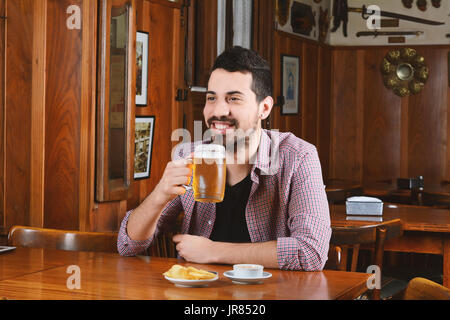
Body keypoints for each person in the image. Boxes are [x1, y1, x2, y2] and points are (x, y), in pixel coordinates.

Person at [117, 46, 331, 271]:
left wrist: (213, 251)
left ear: (264, 108)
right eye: (212, 98)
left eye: (234, 99)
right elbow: (127, 245)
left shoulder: (298, 157)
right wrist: (160, 194)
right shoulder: (188, 156)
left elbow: (311, 252)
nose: (218, 111)